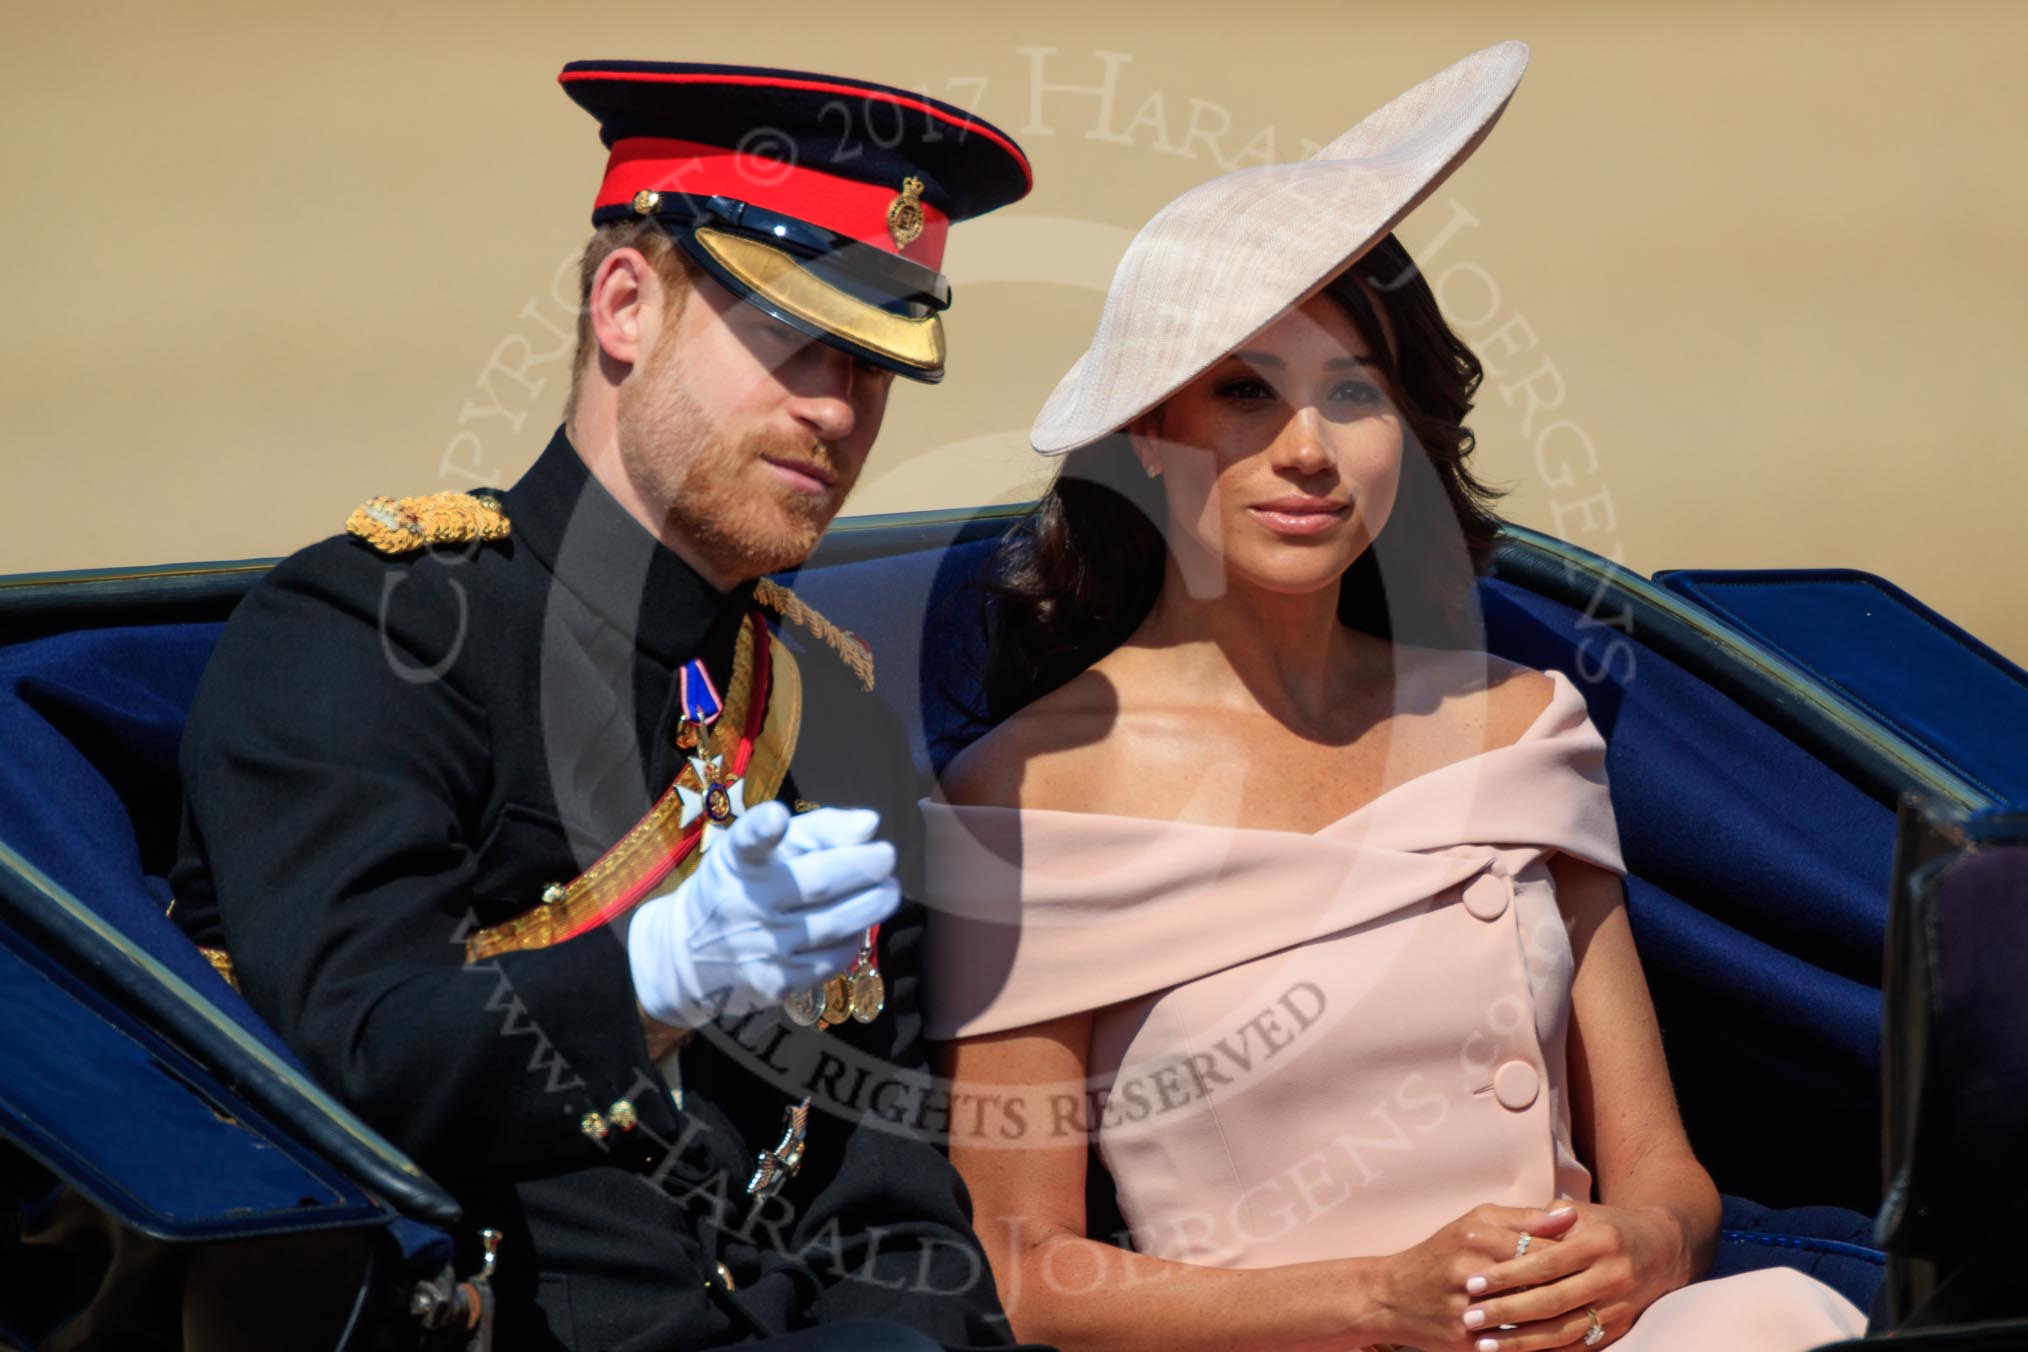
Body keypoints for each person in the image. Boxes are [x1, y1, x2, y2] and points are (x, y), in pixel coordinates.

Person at [922, 43, 1868, 1352]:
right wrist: (1375, 1299)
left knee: (1788, 1317)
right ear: (1148, 434)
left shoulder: (1520, 724)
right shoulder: (1029, 792)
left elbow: (1662, 1170)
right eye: (1244, 392)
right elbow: (1017, 1276)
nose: (1307, 450)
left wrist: (1641, 1247)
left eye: (1352, 392)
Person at [170, 61, 1048, 1351]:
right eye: (796, 334)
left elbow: (899, 1210)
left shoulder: (824, 712)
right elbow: (356, 1051)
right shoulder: (377, 635)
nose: (836, 409)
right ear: (626, 305)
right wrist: (651, 973)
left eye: (876, 362)